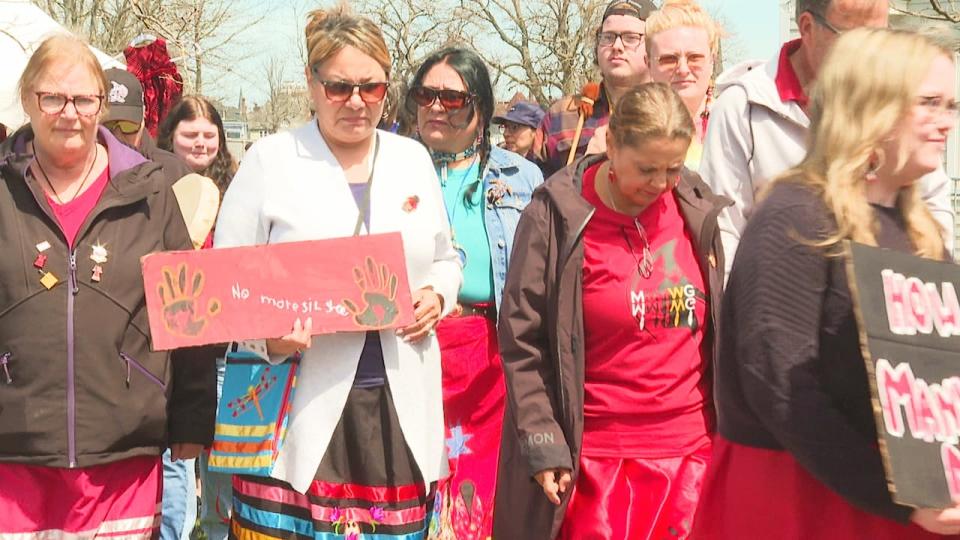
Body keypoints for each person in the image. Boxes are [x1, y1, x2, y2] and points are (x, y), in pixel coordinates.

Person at [693, 27, 960, 539]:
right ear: (872, 106)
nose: (945, 122)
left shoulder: (917, 229)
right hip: (801, 501)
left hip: (901, 502)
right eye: (928, 103)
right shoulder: (796, 218)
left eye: (950, 104)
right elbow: (778, 384)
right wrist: (894, 496)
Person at [214, 7, 461, 539]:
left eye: (371, 88)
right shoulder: (269, 161)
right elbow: (223, 283)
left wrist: (438, 296)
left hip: (397, 408)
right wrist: (268, 337)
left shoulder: (413, 159)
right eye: (339, 87)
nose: (356, 102)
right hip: (297, 406)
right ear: (311, 83)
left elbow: (445, 256)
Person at [0, 34, 215, 537]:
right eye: (53, 98)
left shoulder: (151, 189)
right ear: (28, 99)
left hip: (124, 448)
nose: (69, 113)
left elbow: (189, 309)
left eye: (83, 99)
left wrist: (191, 417)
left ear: (101, 101)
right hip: (14, 450)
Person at [494, 82, 729, 540]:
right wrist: (544, 443)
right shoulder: (555, 215)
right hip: (598, 464)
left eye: (673, 169)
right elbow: (523, 342)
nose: (660, 185)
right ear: (612, 145)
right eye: (646, 169)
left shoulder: (695, 206)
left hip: (692, 459)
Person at [700, 0, 954, 278]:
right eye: (856, 39)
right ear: (807, 27)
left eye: (882, 37)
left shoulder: (899, 107)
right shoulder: (745, 108)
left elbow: (933, 214)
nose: (873, 54)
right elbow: (724, 235)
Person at [406, 47, 544, 538]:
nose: (436, 106)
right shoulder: (389, 168)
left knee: (477, 492)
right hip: (404, 349)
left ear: (480, 107)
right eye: (426, 95)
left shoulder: (521, 176)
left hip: (486, 356)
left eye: (452, 97)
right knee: (406, 489)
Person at [536, 0, 656, 176]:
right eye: (608, 37)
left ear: (655, 47)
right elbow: (533, 190)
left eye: (631, 38)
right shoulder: (563, 115)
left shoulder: (674, 114)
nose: (616, 46)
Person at [644, 0, 721, 168]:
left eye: (695, 58)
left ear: (712, 61)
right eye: (669, 59)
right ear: (648, 64)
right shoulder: (629, 131)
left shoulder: (736, 124)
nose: (683, 69)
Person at [102, 68, 192, 184]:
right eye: (107, 127)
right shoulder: (77, 175)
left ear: (143, 116)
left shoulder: (175, 172)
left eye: (128, 126)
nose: (117, 137)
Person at [158, 96, 237, 199]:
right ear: (171, 137)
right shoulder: (151, 185)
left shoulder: (236, 188)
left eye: (209, 136)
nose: (200, 143)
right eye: (190, 135)